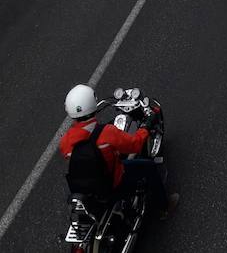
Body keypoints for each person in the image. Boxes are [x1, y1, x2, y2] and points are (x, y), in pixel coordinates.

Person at [60, 84, 178, 218]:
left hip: (87, 188)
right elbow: (136, 144)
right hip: (113, 183)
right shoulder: (106, 133)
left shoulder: (65, 141)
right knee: (149, 167)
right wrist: (145, 126)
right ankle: (164, 207)